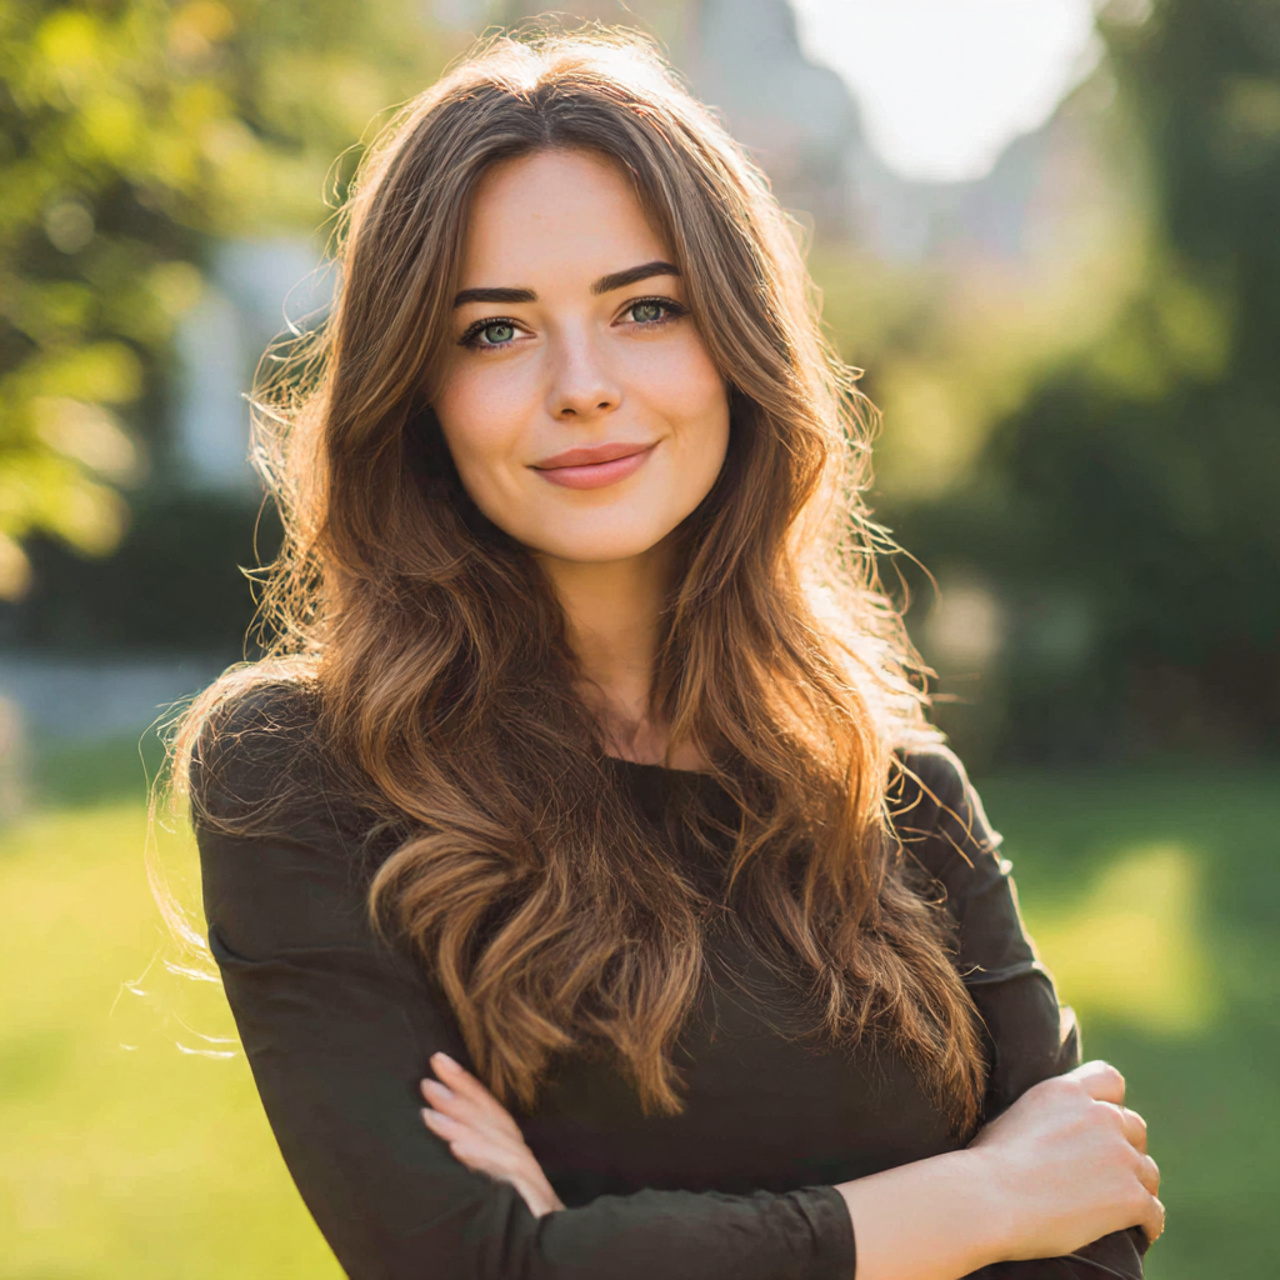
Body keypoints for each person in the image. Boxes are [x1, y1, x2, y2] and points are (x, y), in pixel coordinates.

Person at [177, 28, 1163, 1280]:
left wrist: (588, 1247)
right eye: (494, 331)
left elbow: (1086, 1228)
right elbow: (465, 1265)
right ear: (413, 389)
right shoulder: (306, 772)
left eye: (645, 308)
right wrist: (972, 1199)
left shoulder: (898, 791)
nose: (582, 385)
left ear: (738, 344)